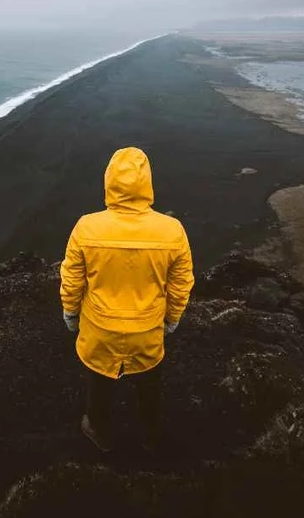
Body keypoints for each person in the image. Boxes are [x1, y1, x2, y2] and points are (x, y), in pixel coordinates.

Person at [59, 146, 194, 452]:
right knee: (149, 383)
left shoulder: (86, 226)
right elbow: (181, 284)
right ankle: (150, 433)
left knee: (100, 383)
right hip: (148, 332)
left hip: (99, 331)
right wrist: (172, 319)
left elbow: (72, 278)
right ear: (148, 183)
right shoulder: (172, 231)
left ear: (109, 182)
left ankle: (98, 430)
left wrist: (70, 314)